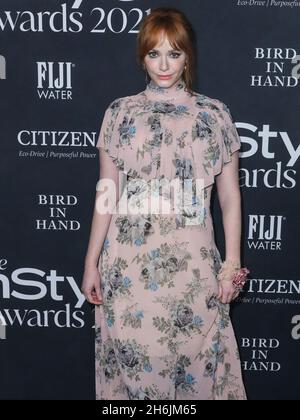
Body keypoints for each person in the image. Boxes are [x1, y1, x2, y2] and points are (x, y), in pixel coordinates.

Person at [81, 7, 249, 400]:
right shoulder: (120, 113)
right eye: (154, 53)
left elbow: (229, 196)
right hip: (129, 265)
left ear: (188, 55)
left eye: (174, 53)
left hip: (192, 264)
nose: (164, 64)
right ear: (142, 56)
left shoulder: (214, 115)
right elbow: (107, 191)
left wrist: (232, 263)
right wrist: (91, 262)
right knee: (138, 376)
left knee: (198, 373)